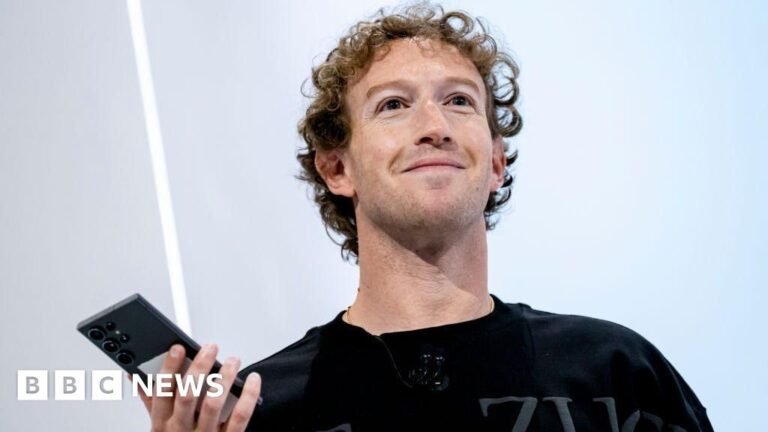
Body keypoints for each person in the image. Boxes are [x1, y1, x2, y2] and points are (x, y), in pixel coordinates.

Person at [139, 4, 714, 431]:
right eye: (393, 104)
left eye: (459, 100)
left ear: (495, 163)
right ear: (337, 168)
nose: (435, 126)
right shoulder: (260, 410)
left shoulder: (616, 372)